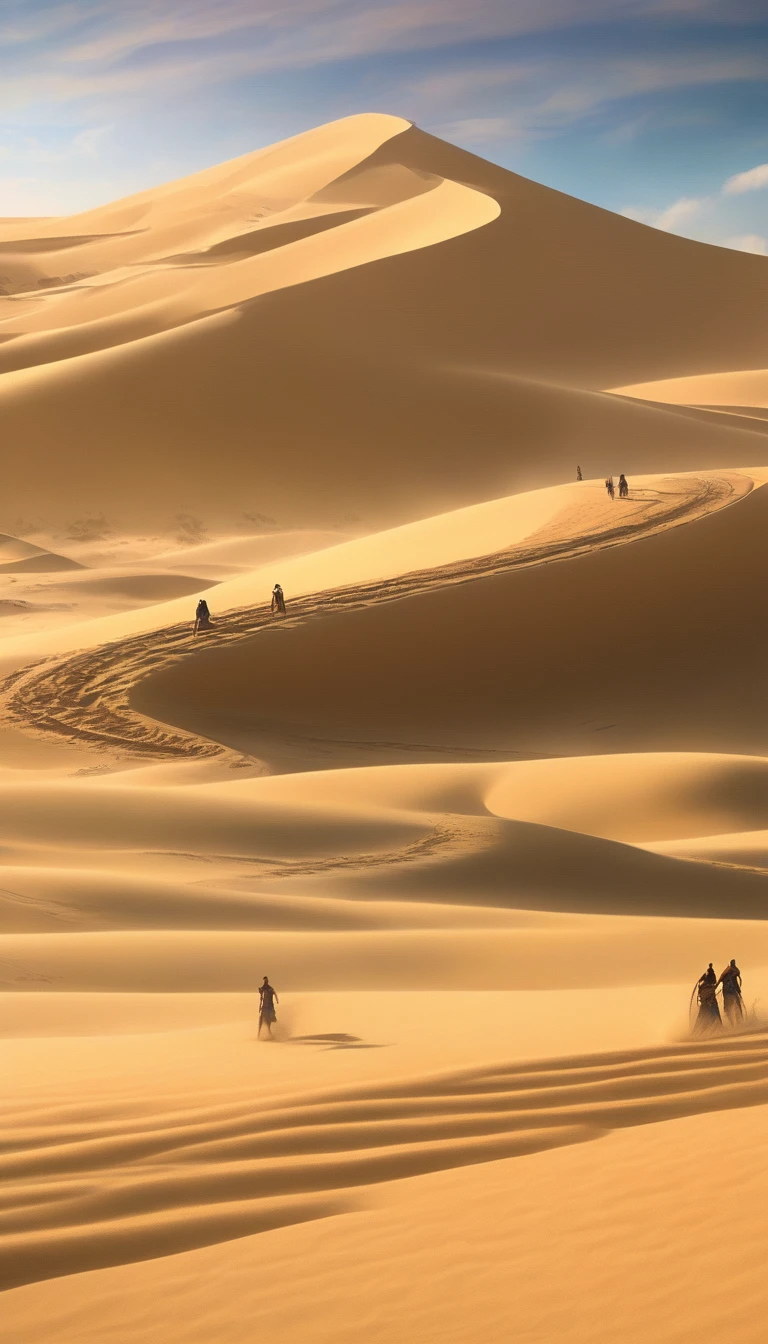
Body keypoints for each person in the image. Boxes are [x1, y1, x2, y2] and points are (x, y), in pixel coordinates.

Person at [692, 963, 722, 1035]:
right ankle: (698, 1031)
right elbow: (701, 983)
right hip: (708, 1002)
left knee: (704, 1016)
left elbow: (702, 983)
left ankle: (697, 1031)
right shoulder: (706, 979)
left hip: (707, 1001)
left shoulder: (707, 979)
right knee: (711, 1015)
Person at [717, 959, 744, 1026]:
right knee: (727, 1007)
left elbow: (736, 978)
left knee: (737, 1004)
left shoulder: (734, 970)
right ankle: (731, 1023)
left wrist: (738, 990)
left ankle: (740, 1021)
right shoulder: (727, 971)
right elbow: (720, 979)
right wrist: (715, 986)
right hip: (727, 991)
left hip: (732, 990)